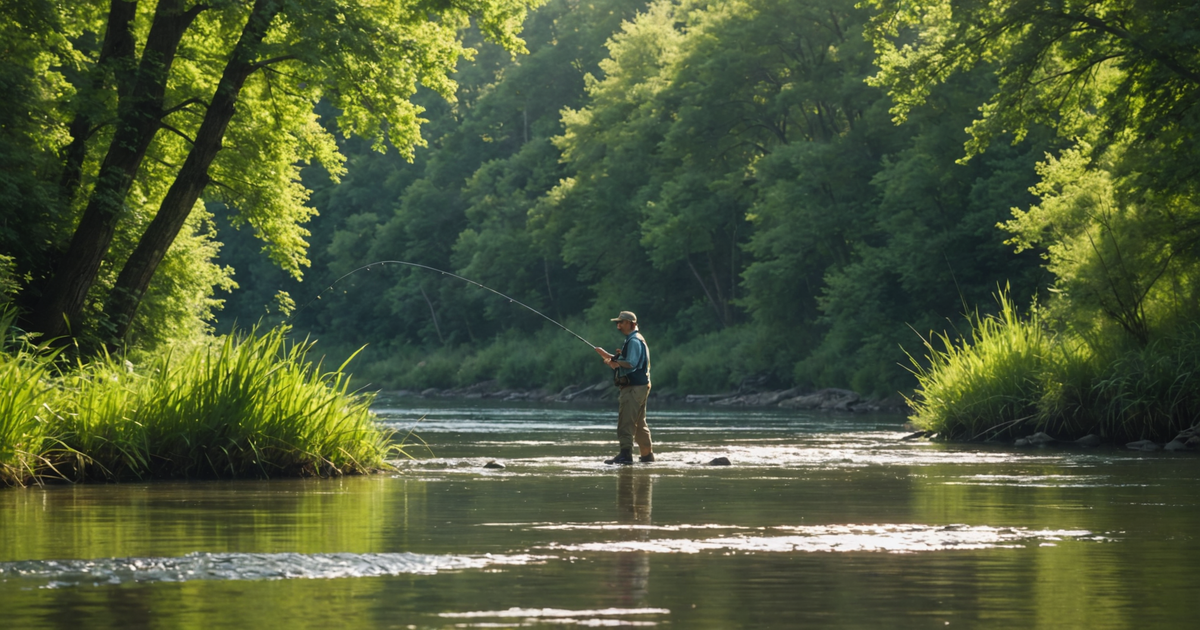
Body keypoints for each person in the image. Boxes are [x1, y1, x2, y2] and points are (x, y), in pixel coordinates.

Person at [594, 311, 653, 464]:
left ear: (631, 323)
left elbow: (631, 363)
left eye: (621, 322)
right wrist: (609, 358)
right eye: (617, 323)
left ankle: (625, 455)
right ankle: (647, 456)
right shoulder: (636, 339)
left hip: (633, 388)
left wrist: (613, 359)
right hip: (640, 386)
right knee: (640, 424)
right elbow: (627, 365)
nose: (618, 326)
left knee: (626, 422)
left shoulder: (634, 341)